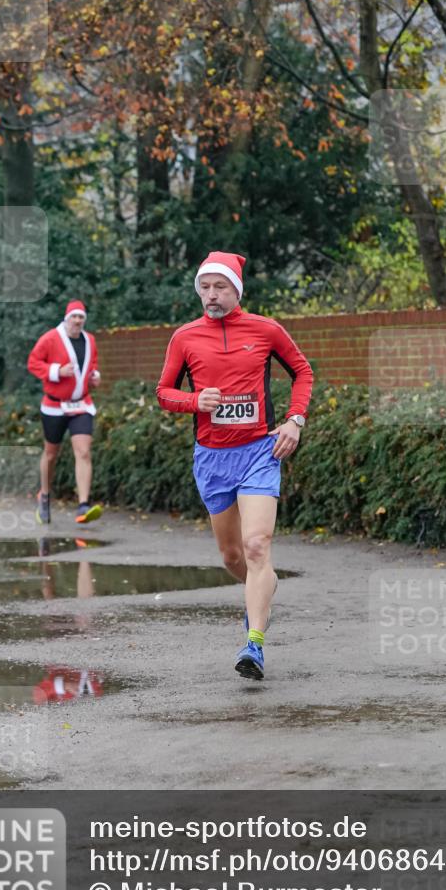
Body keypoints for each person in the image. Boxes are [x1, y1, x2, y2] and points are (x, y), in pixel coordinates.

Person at [156, 251, 313, 681]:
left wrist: (295, 421)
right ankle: (260, 590)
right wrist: (194, 400)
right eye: (204, 287)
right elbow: (163, 392)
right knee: (231, 556)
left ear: (236, 290)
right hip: (212, 457)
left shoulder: (265, 330)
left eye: (220, 287)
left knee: (257, 546)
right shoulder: (185, 337)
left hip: (260, 452)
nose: (211, 294)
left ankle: (254, 644)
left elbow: (303, 372)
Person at [27, 299, 103, 525]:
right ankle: (44, 494)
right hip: (54, 405)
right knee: (51, 454)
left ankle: (83, 505)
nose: (78, 321)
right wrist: (56, 371)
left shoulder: (90, 340)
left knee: (83, 451)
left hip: (81, 404)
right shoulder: (51, 338)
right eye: (74, 317)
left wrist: (94, 376)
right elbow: (33, 362)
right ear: (66, 318)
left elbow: (93, 364)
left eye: (81, 317)